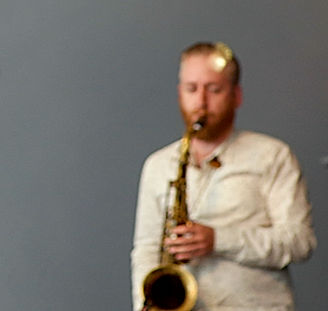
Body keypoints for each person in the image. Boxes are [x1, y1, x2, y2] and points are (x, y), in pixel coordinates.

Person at [131, 42, 315, 310]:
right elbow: (146, 250)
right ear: (179, 93)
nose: (201, 102)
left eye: (214, 89)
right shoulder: (158, 165)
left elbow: (300, 242)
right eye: (191, 89)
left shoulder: (273, 156)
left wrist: (219, 239)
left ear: (236, 95)